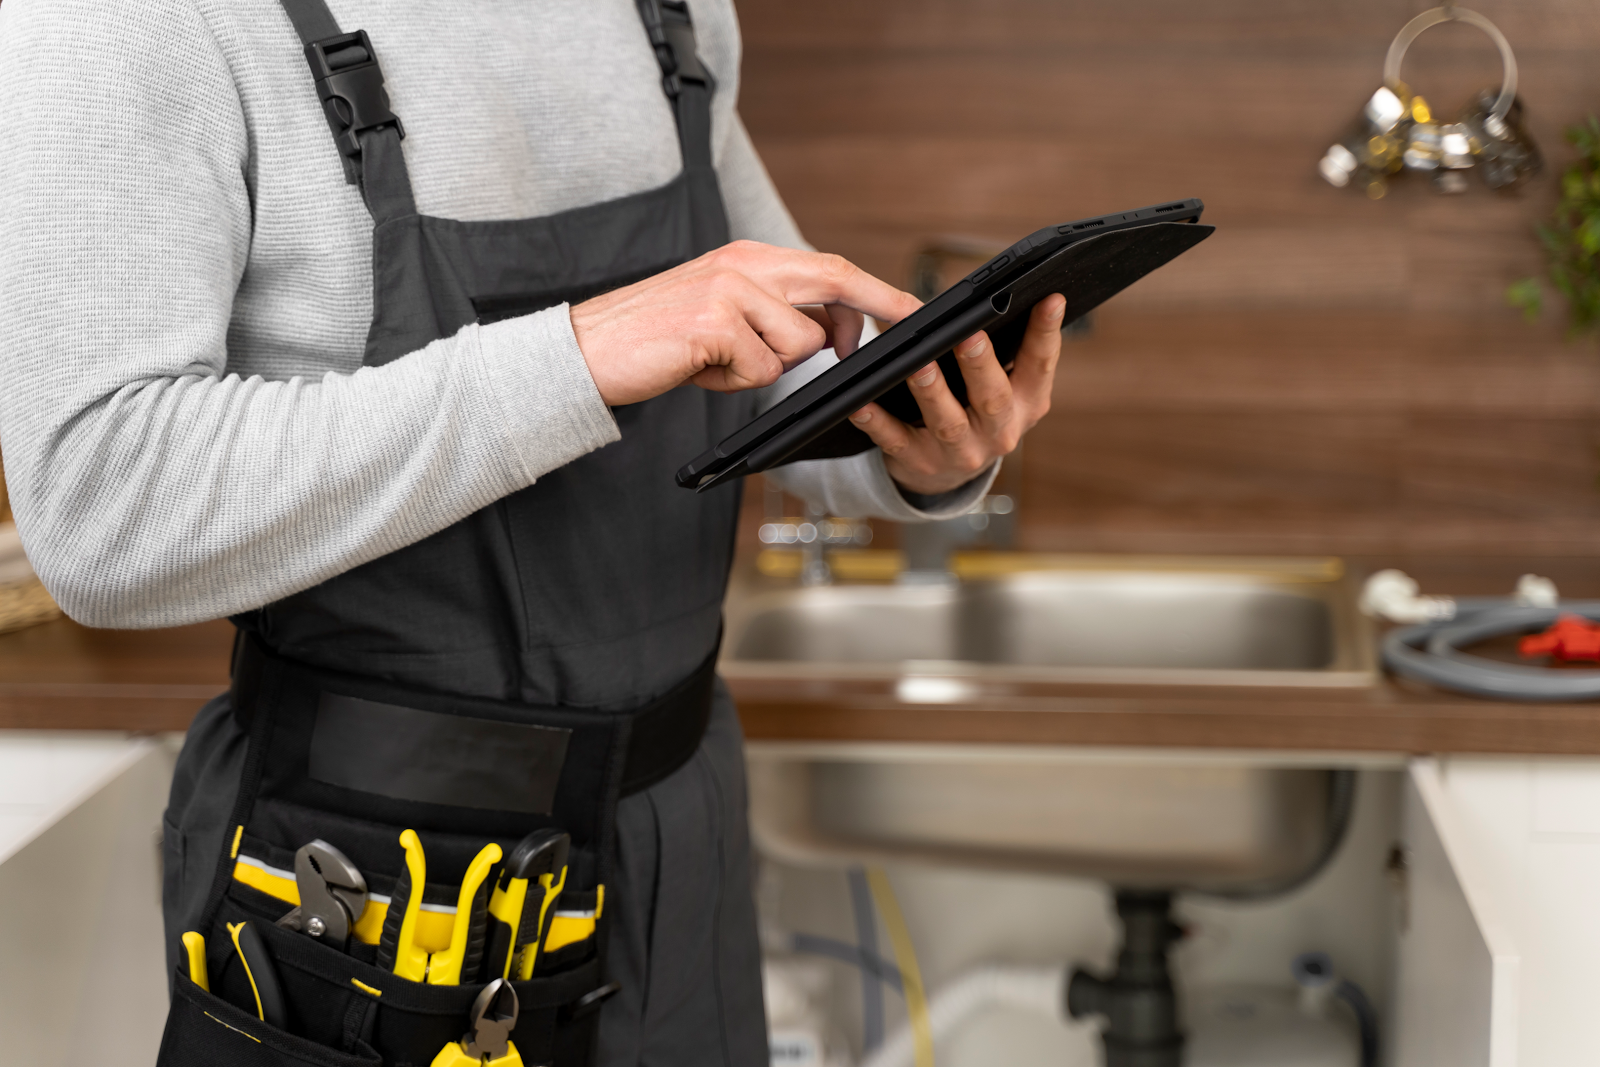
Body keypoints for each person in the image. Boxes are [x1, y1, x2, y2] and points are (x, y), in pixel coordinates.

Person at [0, 0, 1065, 1063]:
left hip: (682, 835)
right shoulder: (131, 22)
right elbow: (103, 510)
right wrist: (579, 356)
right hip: (376, 889)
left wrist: (909, 444)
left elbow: (774, 348)